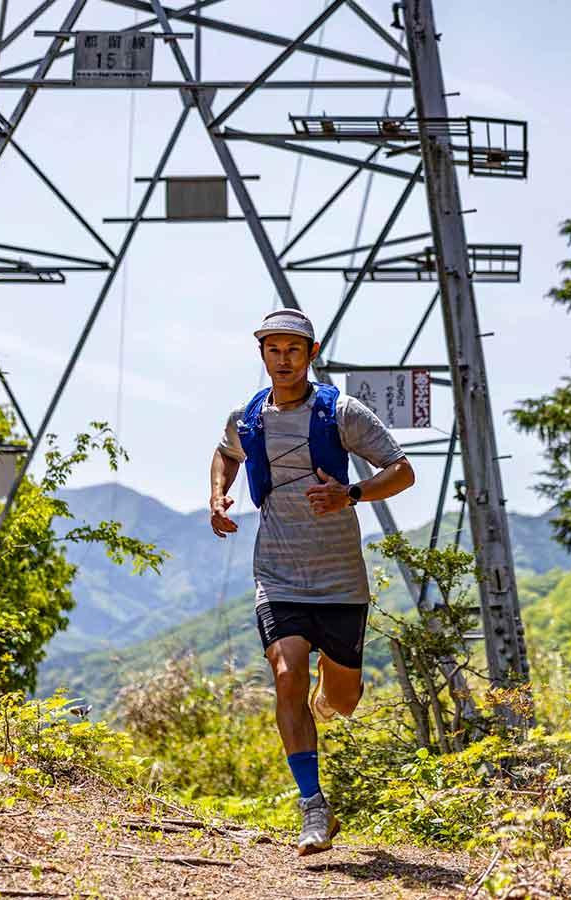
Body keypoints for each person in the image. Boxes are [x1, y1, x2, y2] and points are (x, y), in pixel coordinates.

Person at [208, 309, 415, 856]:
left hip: (340, 578)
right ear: (262, 355)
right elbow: (226, 454)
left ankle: (328, 694)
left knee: (343, 700)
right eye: (273, 350)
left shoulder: (341, 412)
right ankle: (313, 806)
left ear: (312, 352)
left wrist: (351, 493)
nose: (283, 360)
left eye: (293, 350)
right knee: (285, 674)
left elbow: (402, 470)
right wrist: (218, 496)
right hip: (277, 573)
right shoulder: (248, 416)